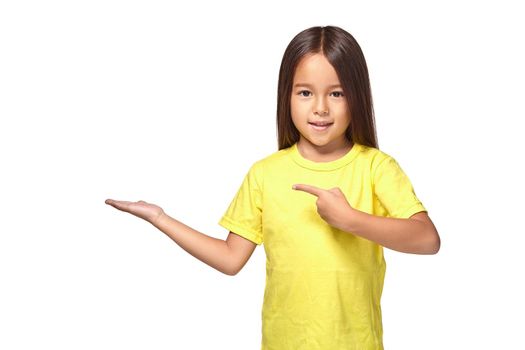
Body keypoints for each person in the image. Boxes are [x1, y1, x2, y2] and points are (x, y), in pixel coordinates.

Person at [105, 25, 441, 350]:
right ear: (287, 95)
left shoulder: (376, 167)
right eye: (305, 92)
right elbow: (230, 259)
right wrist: (160, 218)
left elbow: (427, 239)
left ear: (357, 95)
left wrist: (350, 220)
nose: (320, 107)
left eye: (336, 93)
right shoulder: (265, 173)